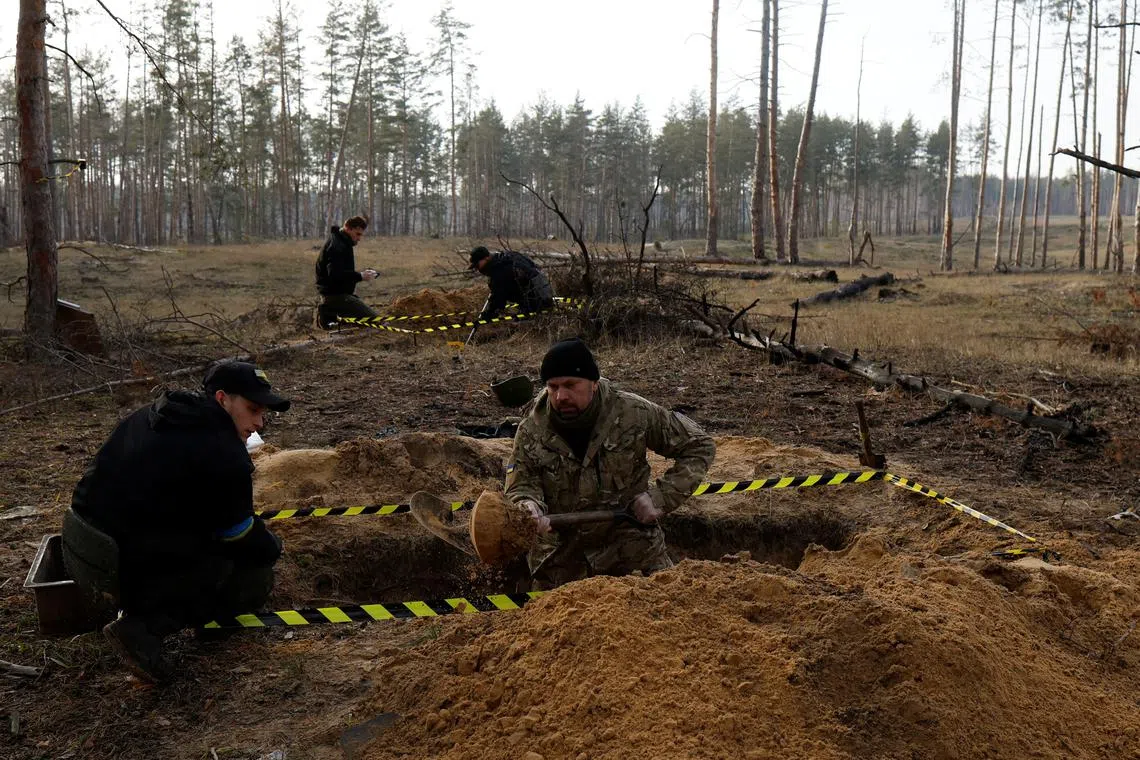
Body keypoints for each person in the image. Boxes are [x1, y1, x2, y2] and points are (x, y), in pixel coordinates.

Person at [63, 361, 290, 682]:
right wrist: (271, 547)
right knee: (246, 568)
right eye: (253, 410)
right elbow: (240, 535)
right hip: (114, 560)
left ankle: (152, 604)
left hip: (78, 540)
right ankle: (142, 628)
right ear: (222, 398)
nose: (259, 424)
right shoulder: (224, 453)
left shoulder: (159, 413)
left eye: (263, 413)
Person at [504, 338, 715, 589]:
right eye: (553, 386)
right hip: (561, 559)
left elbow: (699, 445)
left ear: (593, 383)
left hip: (632, 550)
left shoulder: (632, 412)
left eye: (571, 385)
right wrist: (529, 507)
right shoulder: (532, 429)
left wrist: (661, 498)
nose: (561, 396)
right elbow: (521, 484)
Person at [316, 215, 379, 327]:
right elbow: (335, 274)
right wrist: (360, 276)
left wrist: (361, 275)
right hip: (335, 296)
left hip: (340, 294)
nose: (359, 238)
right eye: (357, 234)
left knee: (363, 317)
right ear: (347, 228)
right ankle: (327, 313)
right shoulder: (337, 246)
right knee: (375, 320)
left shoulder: (343, 241)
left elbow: (341, 272)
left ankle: (331, 315)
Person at [469, 246, 554, 320]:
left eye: (477, 265)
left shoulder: (499, 271)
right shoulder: (506, 256)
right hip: (544, 290)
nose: (477, 268)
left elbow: (498, 299)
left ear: (486, 258)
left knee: (520, 324)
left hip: (536, 297)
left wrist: (488, 315)